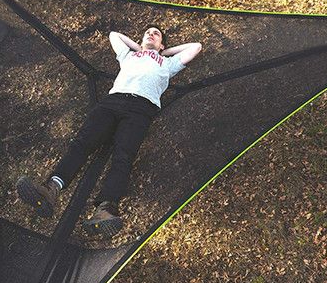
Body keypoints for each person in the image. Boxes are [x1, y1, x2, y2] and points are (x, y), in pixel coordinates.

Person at [17, 26, 202, 237]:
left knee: (123, 156)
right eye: (147, 33)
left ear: (163, 44)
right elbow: (115, 36)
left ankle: (105, 209)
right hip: (112, 102)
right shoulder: (128, 56)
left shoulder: (167, 64)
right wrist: (142, 48)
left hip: (141, 108)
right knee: (82, 143)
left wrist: (161, 52)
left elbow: (196, 47)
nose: (151, 34)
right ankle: (50, 190)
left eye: (156, 34)